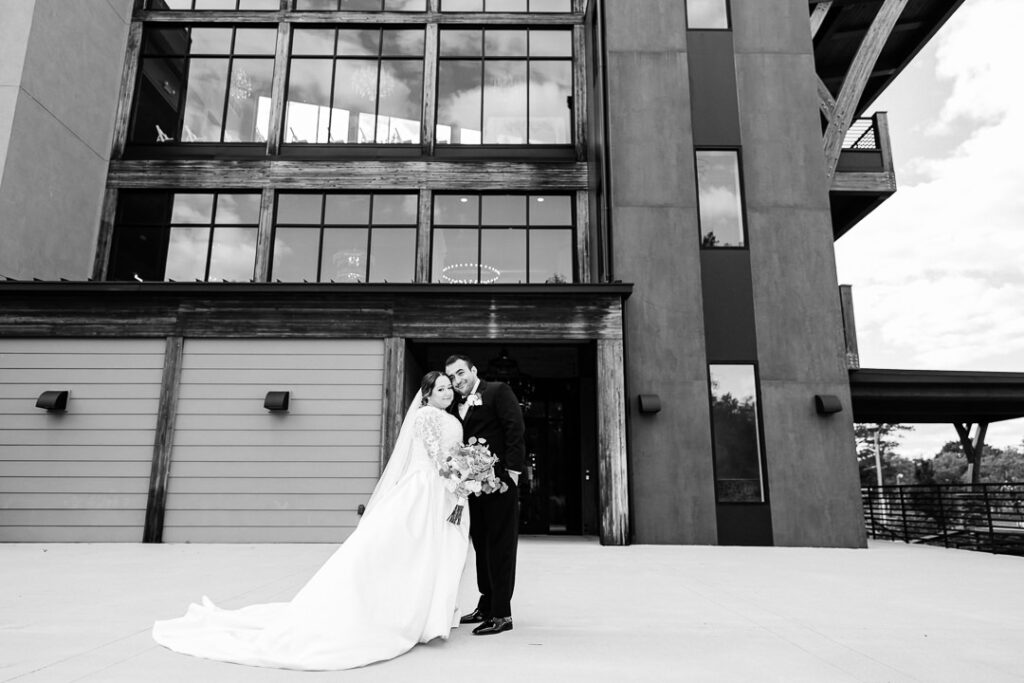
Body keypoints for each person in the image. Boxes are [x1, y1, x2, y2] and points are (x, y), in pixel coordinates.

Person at [152, 371, 469, 671]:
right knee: (412, 550)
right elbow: (435, 455)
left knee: (431, 553)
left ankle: (427, 614)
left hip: (442, 490)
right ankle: (400, 612)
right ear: (426, 395)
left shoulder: (453, 418)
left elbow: (453, 454)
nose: (446, 392)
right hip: (424, 489)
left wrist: (464, 473)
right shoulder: (426, 415)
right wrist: (457, 475)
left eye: (448, 387)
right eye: (439, 388)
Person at [444, 354, 525, 636]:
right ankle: (486, 604)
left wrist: (513, 474)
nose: (457, 381)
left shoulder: (497, 392)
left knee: (501, 547)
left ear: (473, 370)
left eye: (460, 373)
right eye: (452, 377)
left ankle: (502, 614)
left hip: (500, 482)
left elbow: (515, 429)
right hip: (473, 487)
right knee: (481, 544)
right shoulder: (455, 404)